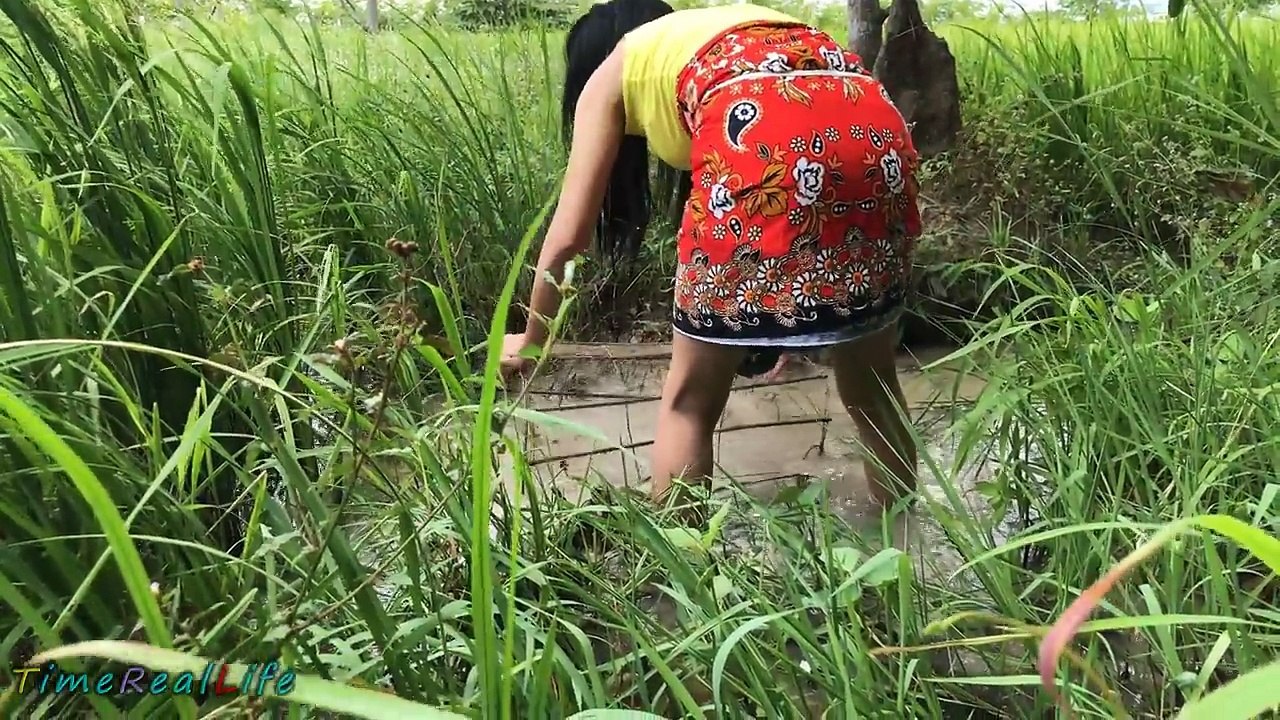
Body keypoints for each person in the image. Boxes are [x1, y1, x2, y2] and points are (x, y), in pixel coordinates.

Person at [500, 0, 919, 509]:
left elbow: (568, 239)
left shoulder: (616, 67)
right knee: (873, 390)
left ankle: (681, 575)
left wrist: (531, 338)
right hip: (875, 134)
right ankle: (903, 550)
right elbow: (804, 121)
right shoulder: (721, 30)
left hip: (768, 143)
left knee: (690, 405)